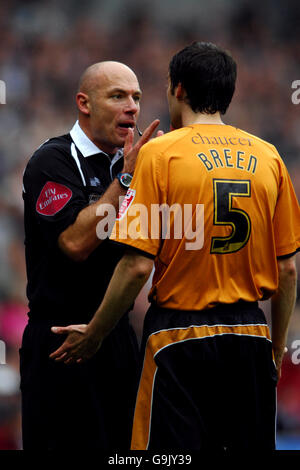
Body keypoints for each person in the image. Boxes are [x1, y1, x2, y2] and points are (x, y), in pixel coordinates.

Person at [50, 43, 300, 451]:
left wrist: (95, 333)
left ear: (178, 89)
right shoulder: (269, 157)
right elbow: (288, 269)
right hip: (251, 336)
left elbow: (135, 266)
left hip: (178, 339)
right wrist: (273, 351)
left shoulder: (160, 154)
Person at [20, 60, 161, 450]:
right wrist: (127, 179)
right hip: (59, 342)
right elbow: (76, 244)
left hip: (116, 339)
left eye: (136, 97)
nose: (132, 107)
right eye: (117, 96)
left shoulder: (139, 163)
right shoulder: (51, 161)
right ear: (84, 103)